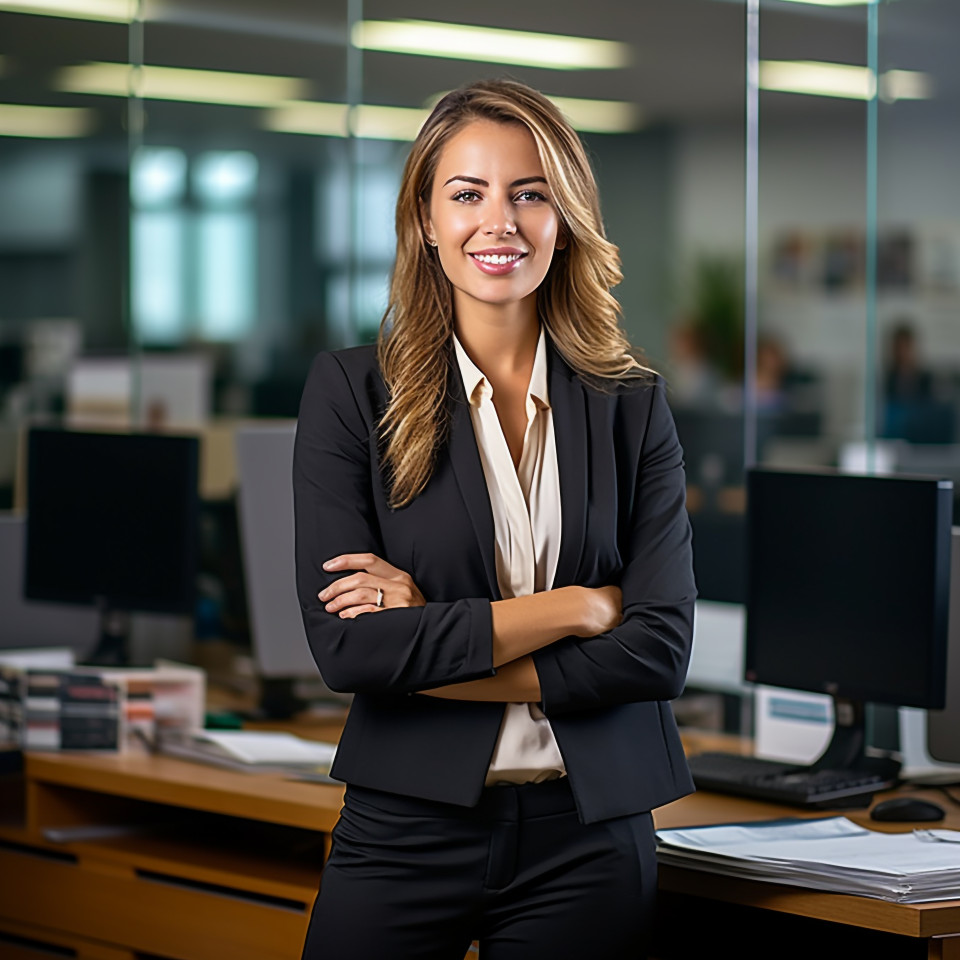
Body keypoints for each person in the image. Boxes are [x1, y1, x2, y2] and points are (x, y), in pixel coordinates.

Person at [293, 78, 696, 960]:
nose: (499, 222)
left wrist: (429, 645)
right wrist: (581, 609)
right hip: (408, 823)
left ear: (566, 216)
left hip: (591, 832)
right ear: (426, 221)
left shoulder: (631, 406)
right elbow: (351, 651)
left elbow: (660, 648)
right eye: (467, 194)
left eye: (530, 193)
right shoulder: (354, 394)